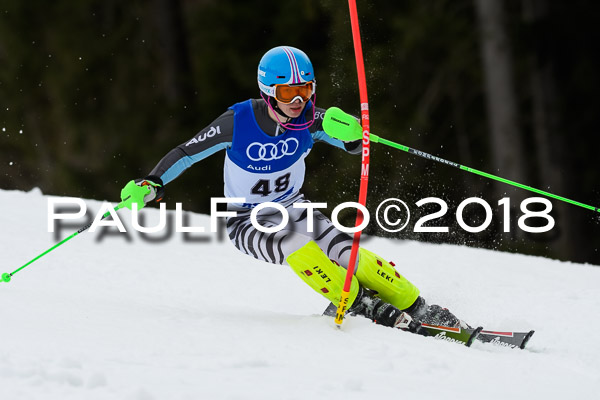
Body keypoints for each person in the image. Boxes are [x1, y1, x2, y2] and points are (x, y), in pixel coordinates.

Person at [120, 46, 462, 330]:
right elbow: (187, 152)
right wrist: (152, 183)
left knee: (350, 254)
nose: (298, 101)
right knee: (298, 246)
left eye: (306, 89)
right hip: (247, 221)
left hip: (295, 208)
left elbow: (356, 145)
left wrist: (353, 131)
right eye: (288, 92)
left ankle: (417, 306)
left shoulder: (313, 120)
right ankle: (360, 304)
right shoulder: (238, 122)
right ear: (268, 92)